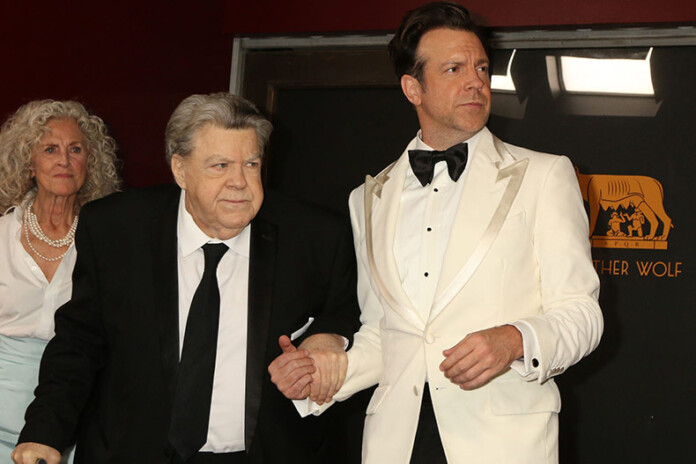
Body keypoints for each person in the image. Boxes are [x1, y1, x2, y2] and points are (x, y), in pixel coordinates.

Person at [271, 2, 603, 463]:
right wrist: (322, 373)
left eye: (481, 67)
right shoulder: (367, 198)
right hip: (395, 445)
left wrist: (514, 339)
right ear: (413, 88)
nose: (475, 81)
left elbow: (582, 315)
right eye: (453, 69)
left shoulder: (544, 176)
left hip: (501, 444)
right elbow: (384, 334)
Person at [11, 93, 360, 464]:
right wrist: (44, 433)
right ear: (180, 170)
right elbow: (79, 343)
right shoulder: (115, 229)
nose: (239, 182)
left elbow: (349, 312)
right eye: (220, 166)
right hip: (134, 453)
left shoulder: (315, 236)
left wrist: (327, 338)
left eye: (251, 164)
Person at [0, 99, 120, 463]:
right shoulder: (2, 236)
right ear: (29, 163)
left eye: (75, 149)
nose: (64, 161)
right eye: (50, 149)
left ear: (90, 162)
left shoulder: (111, 243)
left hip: (76, 417)